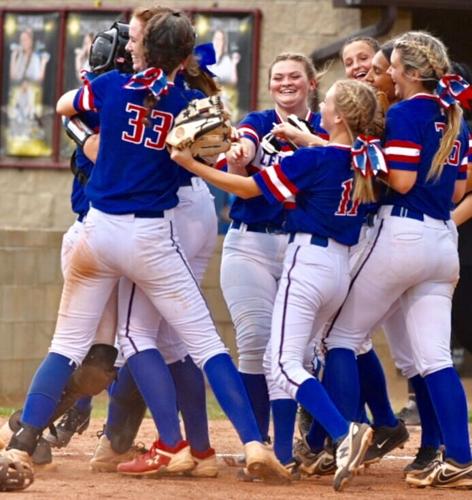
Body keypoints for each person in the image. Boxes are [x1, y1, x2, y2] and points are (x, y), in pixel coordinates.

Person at [0, 9, 289, 487]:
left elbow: (65, 106)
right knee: (205, 345)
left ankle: (21, 446)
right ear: (185, 56)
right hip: (150, 237)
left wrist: (102, 117)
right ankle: (254, 443)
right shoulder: (190, 102)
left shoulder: (113, 87)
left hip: (97, 232)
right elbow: (197, 158)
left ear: (145, 48)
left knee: (66, 345)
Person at [172, 78, 384, 492]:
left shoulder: (316, 160)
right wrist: (304, 138)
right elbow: (335, 152)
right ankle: (286, 451)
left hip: (307, 262)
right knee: (296, 358)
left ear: (339, 116)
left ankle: (344, 433)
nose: (321, 104)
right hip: (340, 267)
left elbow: (251, 187)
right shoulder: (363, 162)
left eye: (328, 102)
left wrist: (191, 165)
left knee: (280, 363)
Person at [322, 31, 472, 489]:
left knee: (340, 337)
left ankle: (345, 440)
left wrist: (363, 155)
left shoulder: (407, 111)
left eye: (392, 66)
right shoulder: (454, 117)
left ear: (408, 72)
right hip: (443, 239)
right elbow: (459, 192)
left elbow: (402, 181)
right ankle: (460, 458)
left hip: (402, 231)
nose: (385, 71)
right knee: (434, 358)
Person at [219, 52, 326, 475]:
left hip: (304, 249)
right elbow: (242, 146)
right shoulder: (260, 122)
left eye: (295, 77)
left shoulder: (322, 129)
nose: (286, 83)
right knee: (254, 340)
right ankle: (256, 444)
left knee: (293, 351)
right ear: (269, 85)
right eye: (278, 77)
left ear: (311, 83)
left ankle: (287, 448)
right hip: (250, 244)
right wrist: (240, 153)